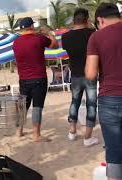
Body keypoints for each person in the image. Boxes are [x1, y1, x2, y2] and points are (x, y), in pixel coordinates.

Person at [85, 3, 122, 179]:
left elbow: (91, 74)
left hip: (110, 98)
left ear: (100, 20)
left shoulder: (96, 37)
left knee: (114, 150)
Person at [13, 17, 58, 142]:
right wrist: (50, 34)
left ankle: (19, 131)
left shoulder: (16, 42)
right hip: (38, 77)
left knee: (23, 106)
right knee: (37, 106)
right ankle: (36, 134)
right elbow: (55, 45)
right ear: (32, 26)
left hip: (23, 79)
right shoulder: (39, 38)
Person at [62, 8, 99, 147]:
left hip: (76, 75)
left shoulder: (65, 37)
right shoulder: (92, 34)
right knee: (91, 104)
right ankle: (88, 137)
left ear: (73, 20)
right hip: (91, 73)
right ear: (87, 19)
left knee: (75, 102)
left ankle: (72, 131)